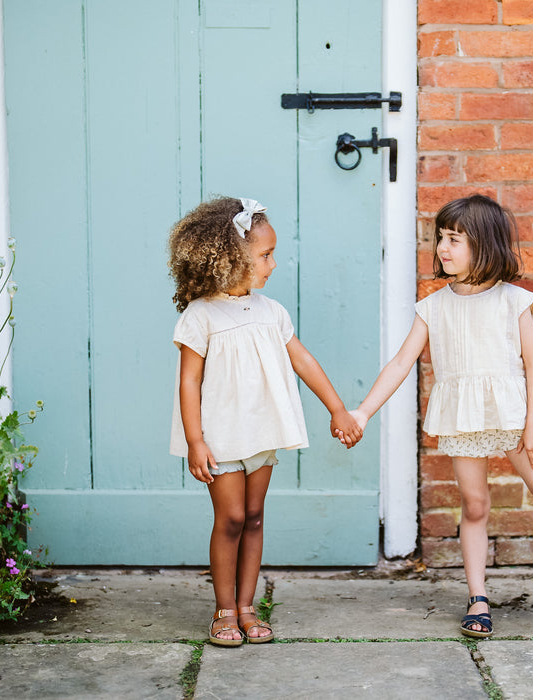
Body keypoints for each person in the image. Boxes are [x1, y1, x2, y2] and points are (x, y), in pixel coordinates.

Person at [346, 194, 533, 637]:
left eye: (455, 240)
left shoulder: (513, 301)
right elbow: (399, 364)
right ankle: (478, 598)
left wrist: (532, 426)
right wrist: (365, 410)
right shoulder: (434, 307)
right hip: (463, 419)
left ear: (484, 245)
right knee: (474, 505)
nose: (443, 249)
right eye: (441, 240)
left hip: (512, 416)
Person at [169, 196, 362, 646]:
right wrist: (196, 441)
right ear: (231, 257)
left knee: (254, 516)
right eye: (265, 255)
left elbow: (304, 362)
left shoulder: (272, 312)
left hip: (261, 431)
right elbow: (188, 384)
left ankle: (247, 606)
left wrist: (337, 408)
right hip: (219, 436)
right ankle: (223, 609)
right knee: (231, 518)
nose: (273, 263)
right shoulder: (201, 315)